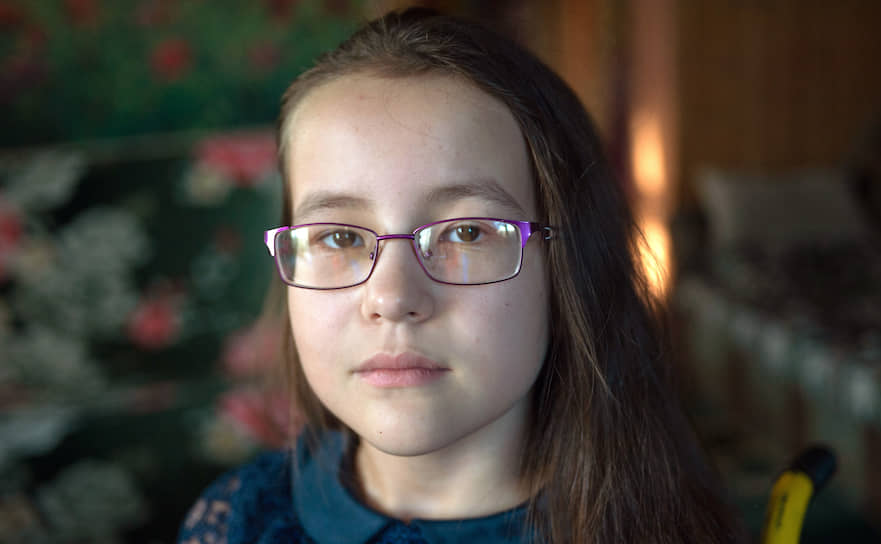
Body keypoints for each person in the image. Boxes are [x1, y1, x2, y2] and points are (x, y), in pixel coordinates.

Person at [179, 7, 745, 543]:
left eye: (467, 232)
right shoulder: (235, 521)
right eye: (340, 238)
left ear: (566, 269)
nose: (392, 297)